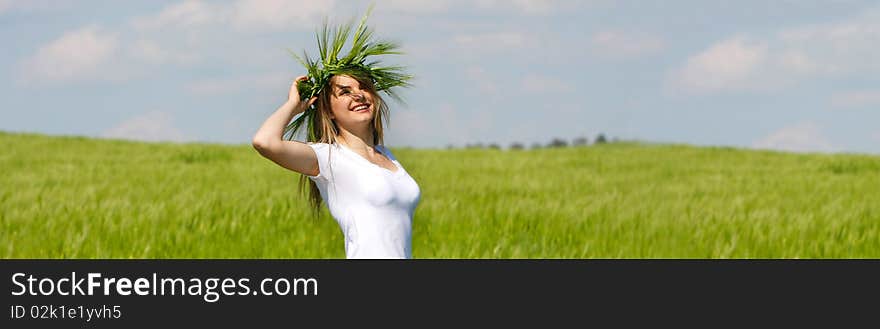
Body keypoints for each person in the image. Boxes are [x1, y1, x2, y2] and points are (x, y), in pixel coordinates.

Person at [251, 73, 421, 259]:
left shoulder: (387, 156)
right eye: (345, 91)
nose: (359, 95)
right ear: (329, 111)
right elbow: (264, 142)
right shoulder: (328, 157)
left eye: (363, 87)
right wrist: (293, 105)